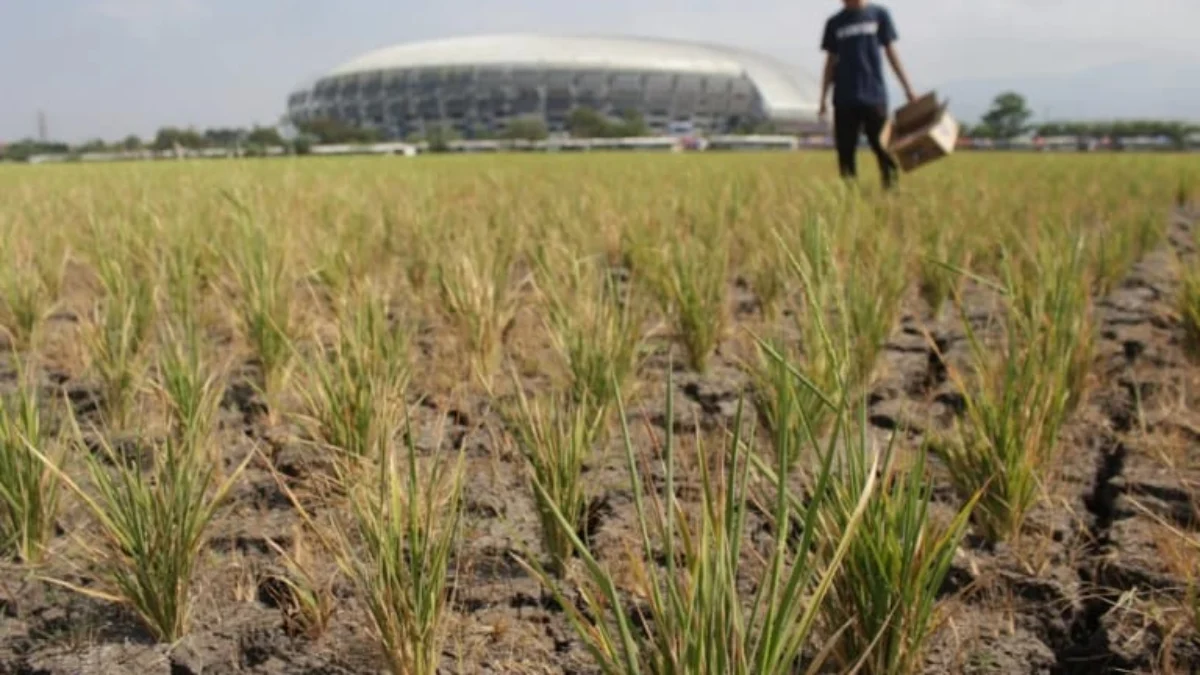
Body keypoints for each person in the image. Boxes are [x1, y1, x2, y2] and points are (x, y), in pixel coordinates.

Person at [818, 0, 917, 190]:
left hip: (874, 95)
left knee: (883, 147)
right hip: (844, 97)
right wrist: (823, 99)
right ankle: (849, 194)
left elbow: (891, 54)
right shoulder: (834, 23)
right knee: (845, 151)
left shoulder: (879, 15)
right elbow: (830, 63)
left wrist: (908, 89)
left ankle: (891, 192)